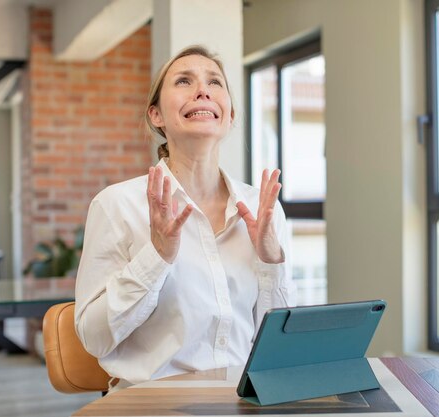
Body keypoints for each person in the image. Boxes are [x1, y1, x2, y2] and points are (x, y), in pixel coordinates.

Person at [74, 45, 295, 388]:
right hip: (152, 405)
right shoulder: (116, 205)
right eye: (184, 81)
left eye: (214, 82)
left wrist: (270, 259)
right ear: (156, 115)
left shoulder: (262, 207)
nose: (202, 90)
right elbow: (93, 338)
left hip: (244, 401)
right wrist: (157, 257)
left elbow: (279, 347)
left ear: (230, 115)